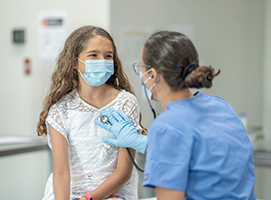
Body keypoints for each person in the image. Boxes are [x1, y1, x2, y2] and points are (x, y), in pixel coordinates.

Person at [95, 31, 257, 200]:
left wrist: (157, 140)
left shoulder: (166, 126)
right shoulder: (220, 106)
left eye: (140, 68)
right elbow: (205, 155)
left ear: (152, 75)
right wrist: (148, 143)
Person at [36, 25, 145, 200]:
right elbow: (61, 172)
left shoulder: (126, 103)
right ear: (74, 62)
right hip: (67, 192)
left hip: (113, 192)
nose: (102, 60)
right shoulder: (60, 111)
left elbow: (124, 171)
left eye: (108, 55)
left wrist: (89, 198)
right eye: (93, 55)